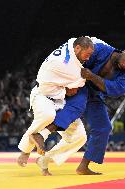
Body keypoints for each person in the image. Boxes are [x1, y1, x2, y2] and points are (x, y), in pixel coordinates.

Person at [31, 37, 125, 175]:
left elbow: (117, 90)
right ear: (124, 51)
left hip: (95, 95)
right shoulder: (102, 50)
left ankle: (83, 166)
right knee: (77, 107)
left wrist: (93, 77)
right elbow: (77, 62)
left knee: (104, 128)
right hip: (79, 85)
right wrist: (68, 84)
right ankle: (41, 134)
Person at [17, 36, 94, 174]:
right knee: (48, 115)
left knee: (80, 136)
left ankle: (44, 160)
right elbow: (78, 86)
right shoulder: (66, 65)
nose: (88, 58)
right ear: (77, 49)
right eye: (87, 55)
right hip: (42, 95)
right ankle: (25, 151)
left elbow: (75, 40)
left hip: (59, 100)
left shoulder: (71, 43)